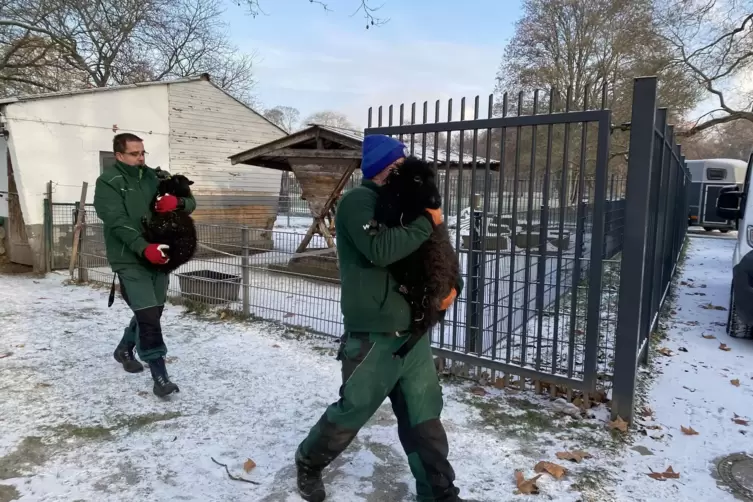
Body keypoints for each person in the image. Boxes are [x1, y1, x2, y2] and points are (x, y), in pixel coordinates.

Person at [294, 134, 469, 502]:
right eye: (401, 162)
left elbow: (437, 252)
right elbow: (381, 249)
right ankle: (308, 461)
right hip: (374, 333)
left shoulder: (408, 202)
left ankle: (439, 492)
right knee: (352, 411)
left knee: (425, 418)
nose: (406, 167)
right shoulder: (358, 202)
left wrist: (452, 286)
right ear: (387, 166)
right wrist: (427, 223)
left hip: (413, 333)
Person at [93, 133, 196, 398]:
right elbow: (116, 220)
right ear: (119, 155)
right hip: (130, 257)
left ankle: (124, 349)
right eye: (134, 154)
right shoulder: (108, 182)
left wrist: (179, 202)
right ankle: (160, 376)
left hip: (159, 254)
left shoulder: (156, 177)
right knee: (149, 318)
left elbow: (191, 202)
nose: (140, 158)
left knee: (154, 310)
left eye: (142, 153)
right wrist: (143, 247)